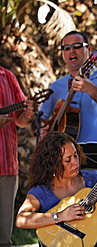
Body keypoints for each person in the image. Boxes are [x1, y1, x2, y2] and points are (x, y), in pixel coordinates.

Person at [39, 31, 97, 246]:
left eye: (77, 46)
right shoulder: (56, 86)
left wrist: (92, 90)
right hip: (67, 173)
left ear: (88, 49)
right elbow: (44, 123)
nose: (71, 52)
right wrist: (42, 131)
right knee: (72, 232)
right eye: (66, 48)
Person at [15, 132, 97, 246]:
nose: (75, 162)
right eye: (68, 160)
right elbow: (21, 220)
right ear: (53, 164)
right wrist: (60, 216)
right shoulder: (42, 191)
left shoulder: (92, 181)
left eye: (75, 156)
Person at [0, 65, 35, 247]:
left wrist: (28, 113)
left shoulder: (7, 76)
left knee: (4, 234)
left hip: (6, 164)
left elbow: (20, 120)